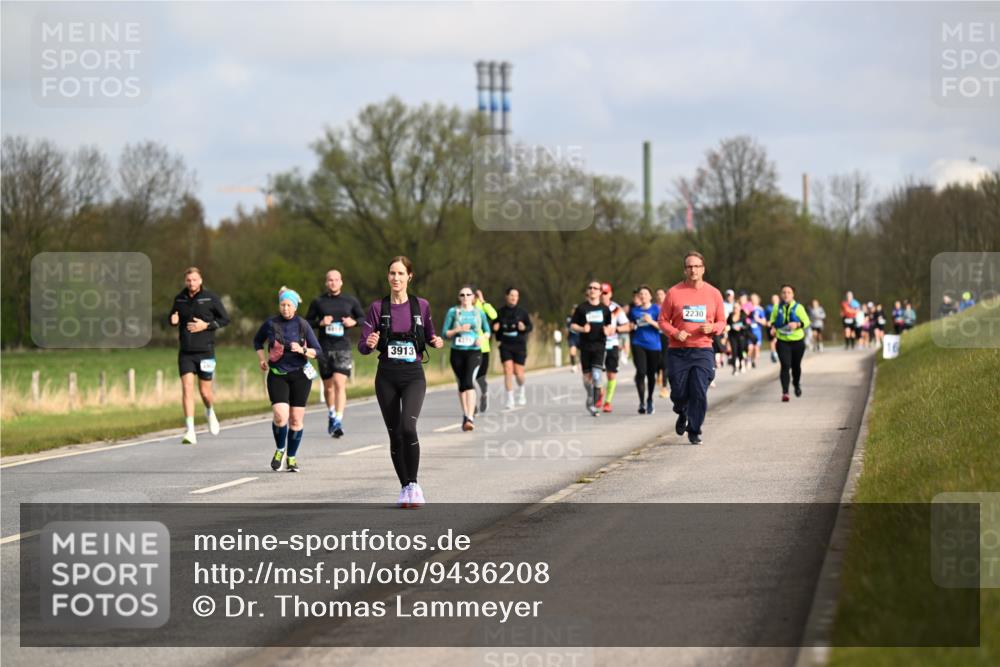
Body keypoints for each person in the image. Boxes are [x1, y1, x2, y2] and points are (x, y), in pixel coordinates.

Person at [359, 256, 444, 508]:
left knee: (408, 427)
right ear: (388, 277)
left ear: (410, 276)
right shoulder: (377, 308)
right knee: (395, 434)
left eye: (400, 273)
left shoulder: (422, 306)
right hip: (386, 375)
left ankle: (415, 484)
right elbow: (363, 346)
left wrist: (435, 341)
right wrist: (370, 344)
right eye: (392, 273)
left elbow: (429, 335)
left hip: (413, 376)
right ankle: (405, 487)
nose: (396, 278)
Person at [658, 252, 726, 445]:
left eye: (697, 266)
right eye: (689, 266)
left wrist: (712, 328)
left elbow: (722, 321)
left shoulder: (714, 293)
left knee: (698, 391)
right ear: (684, 270)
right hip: (678, 351)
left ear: (703, 269)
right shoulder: (674, 293)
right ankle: (682, 411)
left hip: (702, 350)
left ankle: (694, 430)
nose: (693, 270)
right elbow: (662, 320)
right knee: (678, 392)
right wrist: (674, 332)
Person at [253, 287, 321, 473]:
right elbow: (257, 342)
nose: (285, 308)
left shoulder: (303, 325)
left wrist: (303, 350)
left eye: (289, 305)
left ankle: (291, 458)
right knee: (280, 416)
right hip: (277, 374)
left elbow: (318, 351)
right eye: (282, 304)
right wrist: (261, 359)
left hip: (300, 375)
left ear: (295, 307)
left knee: (296, 421)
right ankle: (280, 450)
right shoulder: (270, 324)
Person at [169, 267, 230, 445]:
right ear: (185, 281)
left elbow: (225, 319)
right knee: (187, 389)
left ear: (200, 280)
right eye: (188, 280)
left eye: (194, 280)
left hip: (206, 351)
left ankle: (210, 411)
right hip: (186, 352)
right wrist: (172, 320)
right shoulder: (179, 298)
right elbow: (172, 316)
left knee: (204, 392)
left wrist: (207, 325)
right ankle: (190, 431)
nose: (191, 283)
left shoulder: (210, 298)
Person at [304, 269, 365, 438]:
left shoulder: (350, 301)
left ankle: (338, 420)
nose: (333, 282)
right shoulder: (318, 302)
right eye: (330, 280)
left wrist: (353, 322)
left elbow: (364, 319)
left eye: (336, 279)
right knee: (329, 387)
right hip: (324, 348)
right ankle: (331, 413)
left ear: (341, 282)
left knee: (340, 384)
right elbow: (306, 322)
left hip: (343, 347)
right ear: (326, 282)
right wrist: (321, 322)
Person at [443, 285, 490, 431]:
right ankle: (465, 414)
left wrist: (482, 339)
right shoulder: (453, 312)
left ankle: (470, 417)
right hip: (457, 352)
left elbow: (487, 331)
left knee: (469, 382)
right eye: (462, 295)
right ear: (459, 297)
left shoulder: (478, 313)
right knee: (462, 385)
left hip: (474, 352)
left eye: (468, 295)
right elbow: (445, 333)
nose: (465, 297)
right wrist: (457, 330)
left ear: (473, 297)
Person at [570, 281, 614, 417]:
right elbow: (573, 325)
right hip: (585, 346)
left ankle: (594, 404)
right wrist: (583, 329)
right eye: (590, 288)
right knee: (586, 377)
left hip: (600, 346)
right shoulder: (581, 308)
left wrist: (608, 331)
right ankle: (590, 395)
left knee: (597, 375)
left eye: (596, 288)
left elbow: (609, 326)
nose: (593, 290)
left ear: (600, 292)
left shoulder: (605, 309)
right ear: (587, 292)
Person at [769, 284, 811, 403]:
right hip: (783, 341)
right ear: (781, 294)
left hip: (797, 341)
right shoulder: (777, 308)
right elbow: (772, 321)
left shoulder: (799, 308)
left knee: (796, 366)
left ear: (793, 295)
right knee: (785, 366)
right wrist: (772, 328)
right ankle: (785, 392)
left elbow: (807, 322)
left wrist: (797, 325)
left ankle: (796, 384)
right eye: (784, 292)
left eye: (788, 292)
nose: (786, 294)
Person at [494, 287, 533, 410]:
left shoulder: (522, 312)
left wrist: (524, 328)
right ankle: (510, 399)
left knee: (518, 372)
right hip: (505, 344)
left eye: (516, 296)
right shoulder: (500, 312)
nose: (513, 298)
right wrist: (495, 327)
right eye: (511, 295)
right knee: (508, 370)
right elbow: (493, 325)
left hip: (519, 344)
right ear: (506, 296)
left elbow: (530, 327)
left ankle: (521, 390)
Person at [597, 283, 631, 413]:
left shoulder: (616, 309)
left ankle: (608, 402)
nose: (602, 295)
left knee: (611, 375)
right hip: (596, 346)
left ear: (610, 294)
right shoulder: (592, 308)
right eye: (600, 293)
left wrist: (615, 329)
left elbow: (627, 326)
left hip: (612, 345)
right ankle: (599, 394)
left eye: (605, 293)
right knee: (597, 375)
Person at [629, 285, 661, 414]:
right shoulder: (634, 311)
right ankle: (641, 402)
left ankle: (649, 399)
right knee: (641, 372)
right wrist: (631, 326)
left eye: (645, 294)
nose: (643, 296)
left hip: (654, 345)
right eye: (641, 294)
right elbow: (630, 325)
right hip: (638, 343)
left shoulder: (656, 309)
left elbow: (662, 327)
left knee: (651, 374)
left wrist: (651, 321)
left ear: (650, 296)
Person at [473, 289, 498, 413]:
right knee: (469, 379)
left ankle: (484, 395)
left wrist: (483, 302)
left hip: (483, 348)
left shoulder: (481, 306)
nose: (468, 297)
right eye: (464, 295)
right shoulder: (460, 309)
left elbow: (494, 315)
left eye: (471, 295)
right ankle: (472, 404)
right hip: (467, 349)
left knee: (480, 377)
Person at [656, 287, 671, 397]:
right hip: (655, 336)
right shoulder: (653, 308)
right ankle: (658, 375)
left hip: (666, 336)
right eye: (658, 294)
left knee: (665, 361)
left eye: (662, 294)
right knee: (658, 359)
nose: (660, 296)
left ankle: (664, 387)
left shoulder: (670, 307)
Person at [765, 293, 781, 362]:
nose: (774, 300)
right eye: (773, 299)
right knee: (772, 340)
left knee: (777, 340)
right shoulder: (768, 307)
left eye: (775, 299)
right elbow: (764, 317)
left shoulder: (781, 307)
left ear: (778, 300)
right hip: (770, 326)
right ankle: (773, 353)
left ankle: (777, 352)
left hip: (779, 326)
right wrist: (767, 322)